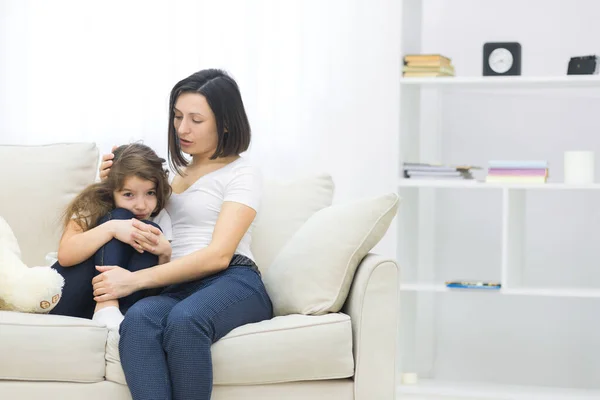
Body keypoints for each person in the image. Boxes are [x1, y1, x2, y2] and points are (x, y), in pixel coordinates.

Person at [93, 69, 273, 400]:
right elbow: (135, 208)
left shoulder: (242, 173)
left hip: (234, 279)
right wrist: (112, 179)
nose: (182, 129)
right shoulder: (171, 174)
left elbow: (219, 254)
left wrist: (133, 281)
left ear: (226, 123)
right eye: (177, 117)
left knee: (185, 321)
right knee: (139, 320)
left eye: (195, 119)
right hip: (180, 285)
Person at [50, 143, 172, 328]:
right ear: (111, 191)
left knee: (147, 229)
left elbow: (157, 287)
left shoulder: (161, 218)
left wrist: (165, 254)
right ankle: (107, 307)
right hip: (69, 293)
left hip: (123, 309)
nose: (141, 205)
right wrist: (112, 228)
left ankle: (117, 320)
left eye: (150, 193)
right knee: (121, 216)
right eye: (128, 194)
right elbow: (65, 256)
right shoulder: (93, 204)